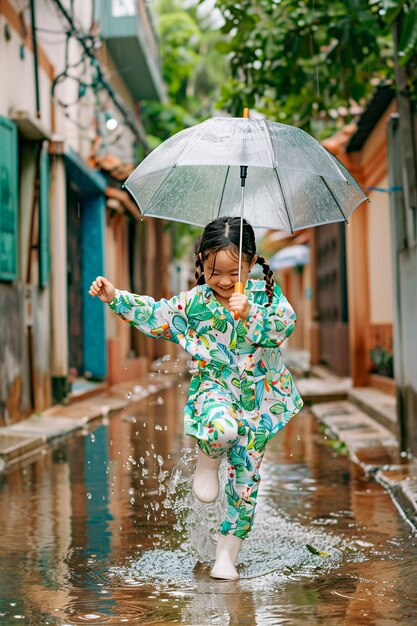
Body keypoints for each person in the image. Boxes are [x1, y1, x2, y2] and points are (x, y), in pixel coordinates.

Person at [88, 216, 303, 580]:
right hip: (214, 390)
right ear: (200, 262)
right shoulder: (194, 303)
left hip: (259, 402)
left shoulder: (265, 296)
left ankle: (225, 558)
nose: (221, 280)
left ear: (250, 263)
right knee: (221, 429)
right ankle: (207, 464)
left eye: (232, 271)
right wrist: (115, 298)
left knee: (245, 485)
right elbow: (156, 314)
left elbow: (283, 326)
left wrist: (249, 312)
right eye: (213, 270)